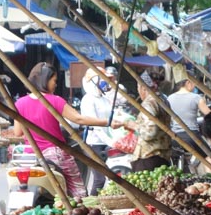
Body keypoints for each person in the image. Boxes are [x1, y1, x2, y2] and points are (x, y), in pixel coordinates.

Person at [13, 62, 112, 198]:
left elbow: (17, 132)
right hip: (55, 154)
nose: (56, 84)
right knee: (79, 193)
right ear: (45, 81)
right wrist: (108, 122)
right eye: (54, 81)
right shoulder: (54, 100)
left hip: (30, 156)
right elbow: (79, 119)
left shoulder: (20, 103)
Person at [113, 72, 173, 172]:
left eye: (138, 87)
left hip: (149, 156)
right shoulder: (163, 100)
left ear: (143, 88)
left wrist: (133, 125)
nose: (138, 91)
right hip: (163, 154)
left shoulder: (149, 103)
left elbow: (149, 133)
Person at [78, 68, 115, 194]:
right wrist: (111, 141)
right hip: (94, 143)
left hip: (105, 142)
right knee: (100, 179)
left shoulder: (104, 99)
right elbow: (95, 124)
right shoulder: (88, 100)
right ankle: (91, 206)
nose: (106, 82)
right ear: (94, 81)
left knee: (105, 178)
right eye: (103, 80)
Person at [168, 77, 211, 157]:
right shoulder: (196, 97)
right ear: (188, 83)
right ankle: (209, 169)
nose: (194, 86)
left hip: (175, 136)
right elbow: (209, 114)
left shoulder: (169, 98)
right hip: (192, 136)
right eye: (193, 83)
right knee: (208, 156)